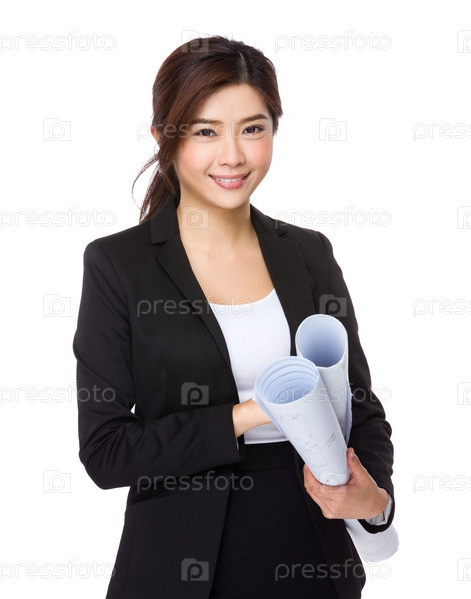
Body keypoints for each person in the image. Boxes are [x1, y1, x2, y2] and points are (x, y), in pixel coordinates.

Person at [73, 35, 395, 599]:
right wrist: (249, 414)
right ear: (164, 138)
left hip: (312, 558)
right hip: (174, 564)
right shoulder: (118, 264)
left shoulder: (308, 253)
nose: (233, 156)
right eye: (206, 132)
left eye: (252, 128)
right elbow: (107, 451)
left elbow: (362, 407)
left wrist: (375, 501)